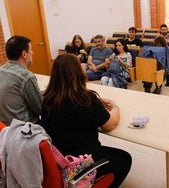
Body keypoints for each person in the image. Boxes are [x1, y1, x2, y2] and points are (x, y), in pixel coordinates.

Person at [40, 53, 132, 188]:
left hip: (59, 158)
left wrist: (96, 103)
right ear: (77, 73)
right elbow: (110, 124)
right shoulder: (87, 100)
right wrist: (115, 106)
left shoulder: (47, 99)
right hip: (83, 161)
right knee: (125, 159)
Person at [0, 35, 43, 126]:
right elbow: (40, 109)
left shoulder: (1, 69)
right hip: (24, 131)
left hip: (4, 129)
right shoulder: (26, 76)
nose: (32, 52)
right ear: (24, 54)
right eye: (30, 50)